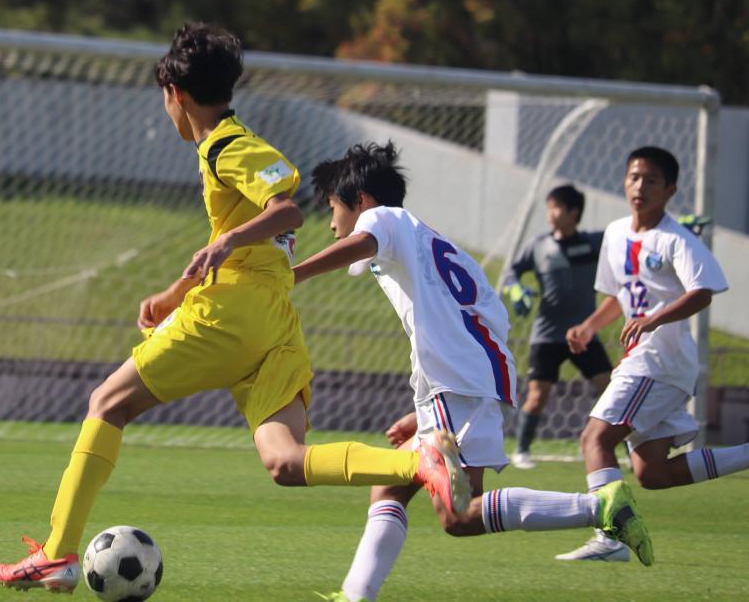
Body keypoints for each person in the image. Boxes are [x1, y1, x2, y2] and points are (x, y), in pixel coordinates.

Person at [0, 25, 469, 593]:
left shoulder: (225, 145)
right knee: (286, 462)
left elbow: (286, 212)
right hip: (273, 323)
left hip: (232, 314)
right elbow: (245, 235)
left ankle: (58, 553)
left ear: (175, 93)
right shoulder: (230, 145)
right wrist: (176, 291)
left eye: (164, 97)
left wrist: (227, 245)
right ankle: (420, 463)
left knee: (107, 403)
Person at [290, 142, 650, 602]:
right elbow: (486, 314)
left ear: (360, 200)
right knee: (390, 487)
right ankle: (356, 595)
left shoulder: (381, 218)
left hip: (457, 384)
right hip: (474, 379)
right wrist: (429, 407)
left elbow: (361, 242)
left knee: (458, 516)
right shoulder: (432, 240)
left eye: (332, 207)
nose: (331, 222)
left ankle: (597, 507)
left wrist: (292, 274)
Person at [555, 146, 740, 563]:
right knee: (651, 472)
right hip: (648, 361)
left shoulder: (677, 238)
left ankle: (610, 538)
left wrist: (655, 319)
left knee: (595, 438)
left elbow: (703, 291)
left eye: (651, 180)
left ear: (669, 190)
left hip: (657, 361)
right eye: (634, 177)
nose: (640, 186)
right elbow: (621, 297)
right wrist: (589, 327)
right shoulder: (616, 233)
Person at [500, 185, 612, 469]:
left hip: (584, 333)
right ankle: (521, 450)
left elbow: (630, 237)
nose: (551, 214)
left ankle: (623, 445)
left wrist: (668, 232)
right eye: (549, 208)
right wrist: (516, 289)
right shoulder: (538, 246)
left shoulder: (593, 243)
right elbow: (512, 272)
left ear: (574, 213)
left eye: (557, 208)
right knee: (537, 395)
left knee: (611, 391)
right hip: (547, 335)